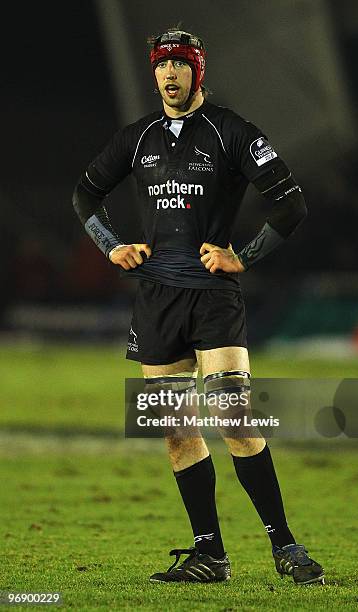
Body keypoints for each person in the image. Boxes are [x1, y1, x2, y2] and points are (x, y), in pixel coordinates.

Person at [73, 28, 324, 586]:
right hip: (157, 297)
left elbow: (291, 205)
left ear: (198, 71)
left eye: (180, 65)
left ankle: (285, 544)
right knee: (176, 428)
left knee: (232, 415)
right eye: (161, 65)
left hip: (213, 298)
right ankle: (209, 553)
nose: (169, 74)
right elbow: (86, 193)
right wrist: (110, 243)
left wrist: (246, 255)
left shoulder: (231, 132)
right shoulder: (138, 138)